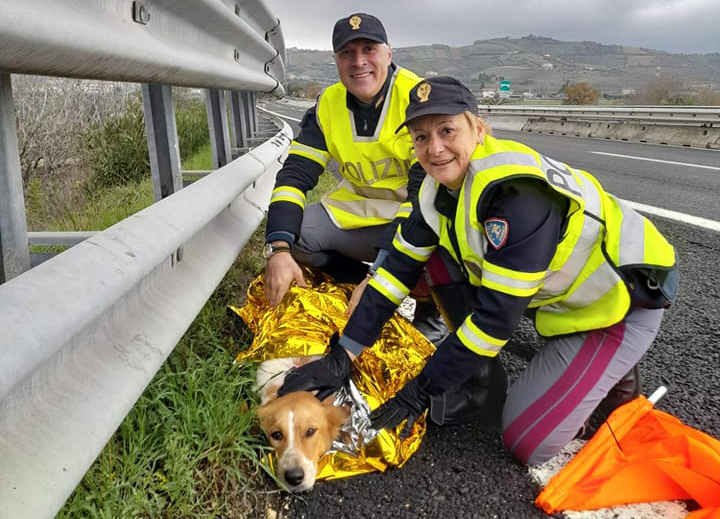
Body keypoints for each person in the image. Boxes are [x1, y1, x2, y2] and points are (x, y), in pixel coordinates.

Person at [278, 76, 678, 465]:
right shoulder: (435, 190)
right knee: (430, 259)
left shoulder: (514, 197)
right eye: (421, 137)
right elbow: (395, 271)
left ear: (479, 129)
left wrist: (420, 390)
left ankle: (614, 377)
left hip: (617, 306)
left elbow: (493, 322)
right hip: (556, 297)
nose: (435, 148)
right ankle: (482, 379)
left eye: (447, 130)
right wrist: (342, 355)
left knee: (525, 442)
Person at [262, 12, 445, 342]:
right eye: (347, 53)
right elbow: (294, 176)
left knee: (447, 238)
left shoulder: (417, 99)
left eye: (369, 49)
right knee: (298, 233)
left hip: (417, 217)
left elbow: (422, 198)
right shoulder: (328, 104)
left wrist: (381, 272)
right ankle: (355, 286)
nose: (358, 61)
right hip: (360, 213)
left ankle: (432, 312)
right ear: (336, 60)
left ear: (388, 53)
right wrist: (279, 249)